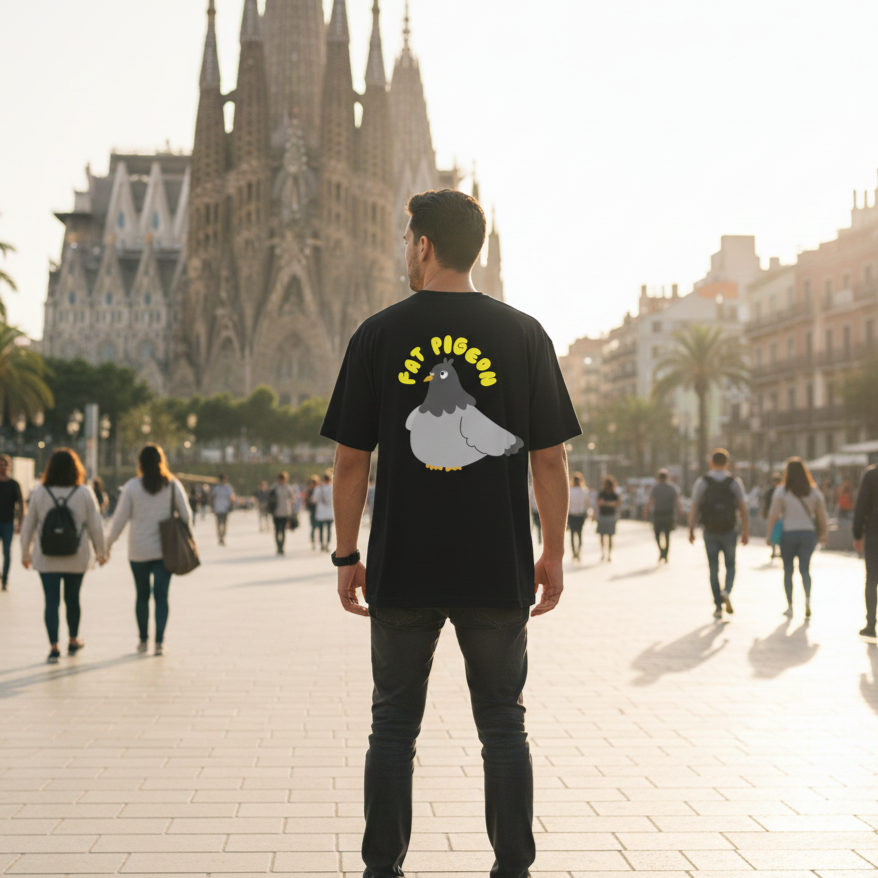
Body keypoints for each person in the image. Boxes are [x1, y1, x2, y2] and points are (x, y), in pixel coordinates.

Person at [320, 188, 581, 878]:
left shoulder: (377, 333)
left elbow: (350, 461)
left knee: (393, 728)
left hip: (403, 564)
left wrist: (347, 553)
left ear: (424, 245)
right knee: (503, 725)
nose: (406, 250)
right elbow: (550, 459)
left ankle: (383, 869)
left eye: (409, 239)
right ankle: (512, 868)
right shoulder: (524, 333)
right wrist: (552, 551)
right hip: (497, 565)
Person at [19, 448, 106, 663]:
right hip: (75, 557)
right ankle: (73, 639)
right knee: (73, 599)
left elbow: (28, 526)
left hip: (46, 557)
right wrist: (101, 551)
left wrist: (25, 553)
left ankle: (54, 646)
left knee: (51, 601)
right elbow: (96, 525)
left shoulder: (40, 492)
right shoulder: (84, 492)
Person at [106, 444, 192, 655]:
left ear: (140, 463)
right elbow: (187, 516)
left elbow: (119, 520)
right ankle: (159, 643)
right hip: (166, 550)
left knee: (142, 595)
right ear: (161, 461)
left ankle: (143, 640)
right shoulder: (172, 485)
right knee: (162, 596)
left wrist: (106, 546)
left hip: (138, 551)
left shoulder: (132, 487)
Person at [689, 448, 749, 620]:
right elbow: (743, 508)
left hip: (710, 530)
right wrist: (746, 531)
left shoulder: (703, 482)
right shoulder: (734, 482)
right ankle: (726, 591)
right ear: (727, 463)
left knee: (713, 568)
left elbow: (695, 507)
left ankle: (717, 606)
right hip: (730, 530)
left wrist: (691, 529)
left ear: (711, 462)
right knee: (731, 565)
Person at [765, 457, 828, 619]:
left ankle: (790, 606)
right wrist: (824, 534)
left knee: (788, 570)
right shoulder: (813, 491)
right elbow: (822, 515)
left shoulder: (782, 491)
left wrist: (769, 535)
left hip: (789, 534)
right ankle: (807, 600)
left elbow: (773, 515)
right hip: (808, 534)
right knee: (805, 569)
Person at [854, 463, 878, 640]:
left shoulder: (871, 475)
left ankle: (871, 624)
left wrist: (857, 533)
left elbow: (861, 504)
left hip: (874, 534)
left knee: (871, 579)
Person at [646, 469, 682, 563]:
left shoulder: (655, 488)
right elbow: (677, 502)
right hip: (669, 514)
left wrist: (646, 512)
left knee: (657, 535)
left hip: (658, 514)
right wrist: (680, 513)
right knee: (667, 535)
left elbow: (650, 501)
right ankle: (665, 554)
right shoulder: (673, 488)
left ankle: (662, 552)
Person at [0, 454, 24, 591]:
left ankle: (5, 579)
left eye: (4, 465)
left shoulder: (14, 484)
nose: (2, 467)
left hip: (8, 523)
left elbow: (20, 504)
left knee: (7, 552)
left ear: (8, 467)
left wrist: (20, 522)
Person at [268, 472, 296, 555]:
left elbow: (293, 498)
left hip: (285, 512)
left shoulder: (288, 488)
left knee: (283, 531)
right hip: (276, 512)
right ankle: (278, 547)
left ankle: (282, 547)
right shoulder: (274, 488)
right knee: (277, 531)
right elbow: (269, 497)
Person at [595, 476, 621, 562]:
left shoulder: (614, 493)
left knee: (610, 536)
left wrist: (606, 503)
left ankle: (609, 553)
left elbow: (617, 503)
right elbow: (598, 502)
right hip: (603, 515)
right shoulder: (601, 493)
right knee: (602, 536)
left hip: (610, 516)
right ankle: (603, 552)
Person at [209, 474, 235, 546]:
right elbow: (212, 497)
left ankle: (222, 537)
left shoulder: (227, 487)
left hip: (224, 508)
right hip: (219, 508)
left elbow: (231, 497)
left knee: (223, 524)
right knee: (219, 524)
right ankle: (220, 537)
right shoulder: (217, 488)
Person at [762, 472, 783, 560]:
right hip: (773, 514)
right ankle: (774, 551)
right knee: (775, 534)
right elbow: (766, 503)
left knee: (780, 534)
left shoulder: (782, 490)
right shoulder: (772, 491)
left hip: (779, 516)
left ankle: (780, 551)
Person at [568, 472, 588, 561]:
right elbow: (587, 504)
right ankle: (578, 552)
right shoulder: (584, 491)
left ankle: (574, 553)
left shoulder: (569, 491)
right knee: (580, 534)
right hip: (580, 515)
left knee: (572, 535)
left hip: (571, 515)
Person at [314, 471, 334, 552]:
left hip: (321, 512)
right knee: (329, 530)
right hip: (330, 512)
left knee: (321, 530)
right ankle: (327, 545)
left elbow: (314, 499)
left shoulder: (318, 488)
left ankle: (322, 545)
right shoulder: (333, 488)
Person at [303, 475, 320, 550]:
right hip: (312, 511)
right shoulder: (309, 491)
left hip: (319, 511)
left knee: (319, 527)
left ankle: (320, 541)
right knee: (313, 527)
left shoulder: (319, 490)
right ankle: (313, 541)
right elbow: (306, 502)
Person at [529, 478, 542, 545]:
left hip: (535, 510)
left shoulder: (532, 488)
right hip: (539, 510)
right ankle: (540, 538)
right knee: (540, 525)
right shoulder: (542, 487)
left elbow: (530, 500)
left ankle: (540, 538)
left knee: (538, 525)